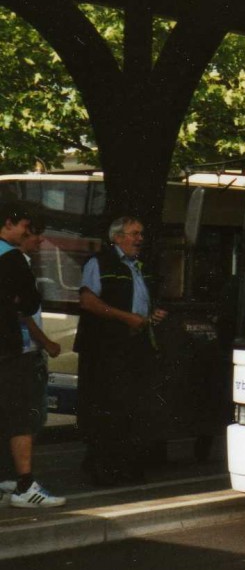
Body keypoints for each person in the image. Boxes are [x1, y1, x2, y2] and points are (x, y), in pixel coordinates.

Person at [76, 216, 167, 485]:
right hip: (107, 348)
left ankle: (123, 464)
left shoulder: (140, 266)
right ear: (117, 237)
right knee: (109, 406)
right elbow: (88, 301)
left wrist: (153, 314)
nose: (140, 239)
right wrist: (125, 318)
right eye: (134, 234)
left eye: (141, 234)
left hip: (134, 345)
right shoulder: (99, 263)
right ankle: (104, 467)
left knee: (131, 406)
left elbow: (143, 301)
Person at [0, 203, 65, 508]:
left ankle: (6, 481)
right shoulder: (11, 257)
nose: (30, 233)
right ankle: (25, 486)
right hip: (11, 350)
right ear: (9, 222)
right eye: (26, 226)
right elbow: (29, 303)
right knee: (22, 418)